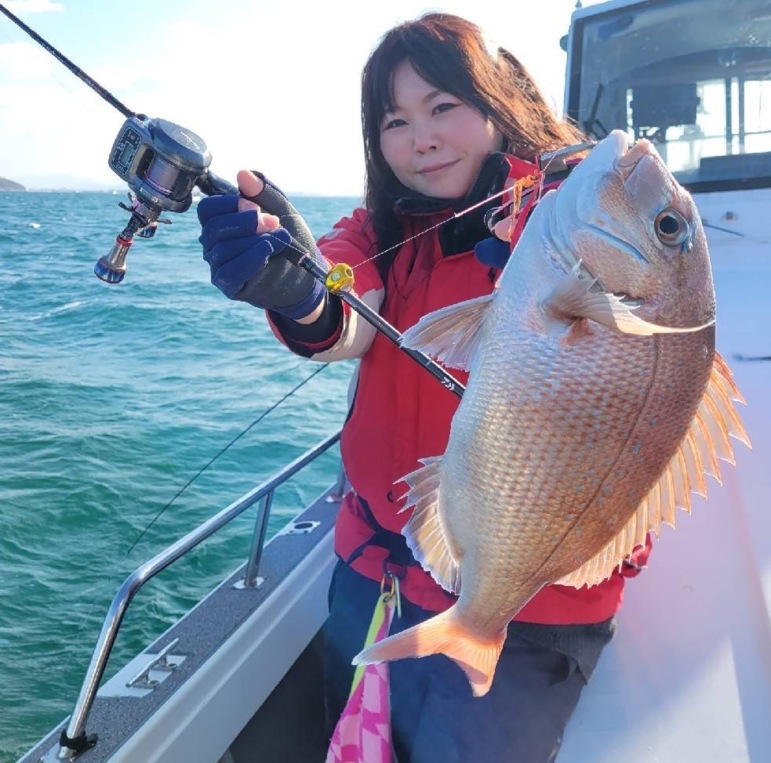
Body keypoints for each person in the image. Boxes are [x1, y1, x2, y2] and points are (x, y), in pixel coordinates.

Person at [197, 12, 652, 762]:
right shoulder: (377, 231)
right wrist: (296, 285)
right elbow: (347, 309)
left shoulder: (569, 225)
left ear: (499, 104)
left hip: (529, 610)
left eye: (444, 107)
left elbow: (643, 359)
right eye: (396, 121)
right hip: (374, 576)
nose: (422, 138)